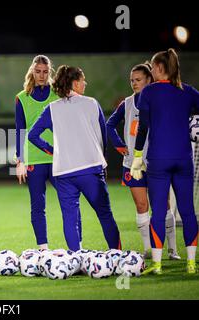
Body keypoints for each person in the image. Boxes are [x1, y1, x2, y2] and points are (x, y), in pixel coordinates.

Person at [29, 65, 121, 252]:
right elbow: (102, 137)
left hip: (64, 172)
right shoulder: (92, 103)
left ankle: (75, 261)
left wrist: (53, 151)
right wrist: (99, 158)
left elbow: (32, 135)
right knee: (104, 214)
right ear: (75, 82)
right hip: (90, 168)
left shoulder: (51, 108)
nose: (85, 83)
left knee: (70, 219)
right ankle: (117, 256)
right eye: (83, 79)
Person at [131, 49, 199, 274]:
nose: (150, 69)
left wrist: (137, 156)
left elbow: (143, 128)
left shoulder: (148, 93)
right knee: (188, 211)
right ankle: (190, 264)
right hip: (183, 159)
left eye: (152, 66)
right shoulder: (187, 91)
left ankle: (158, 265)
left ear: (160, 68)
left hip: (158, 160)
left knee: (158, 212)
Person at [106, 63, 180, 260]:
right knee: (141, 205)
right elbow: (109, 125)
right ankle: (147, 249)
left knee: (162, 206)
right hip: (132, 163)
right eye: (131, 80)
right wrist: (119, 144)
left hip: (157, 162)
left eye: (138, 80)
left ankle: (172, 249)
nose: (134, 84)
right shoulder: (127, 103)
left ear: (149, 80)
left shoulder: (160, 102)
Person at [15, 55, 82, 250]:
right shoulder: (21, 97)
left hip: (59, 159)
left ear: (50, 72)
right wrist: (20, 161)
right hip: (34, 160)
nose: (42, 75)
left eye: (45, 72)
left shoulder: (58, 93)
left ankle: (78, 248)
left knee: (70, 204)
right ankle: (43, 250)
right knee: (38, 206)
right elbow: (20, 130)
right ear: (32, 72)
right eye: (38, 71)